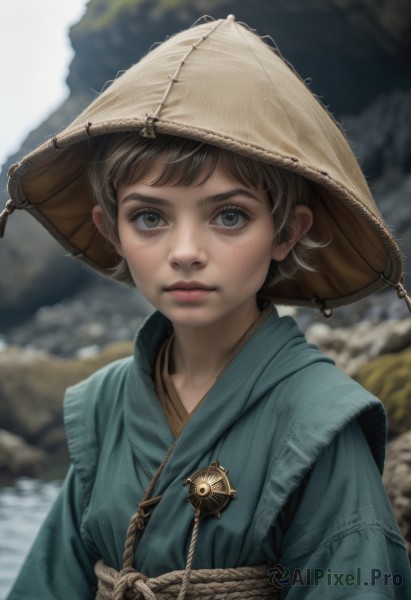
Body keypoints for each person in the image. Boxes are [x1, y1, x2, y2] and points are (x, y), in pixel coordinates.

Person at [3, 14, 411, 600]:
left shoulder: (319, 426)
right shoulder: (104, 406)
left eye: (229, 216)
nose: (186, 253)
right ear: (111, 231)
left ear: (286, 233)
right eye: (150, 217)